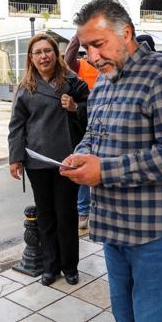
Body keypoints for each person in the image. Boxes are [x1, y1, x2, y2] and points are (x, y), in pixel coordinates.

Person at [60, 0, 162, 322]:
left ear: (126, 33)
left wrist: (104, 170)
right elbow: (93, 136)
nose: (92, 57)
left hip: (160, 235)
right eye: (86, 48)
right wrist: (79, 155)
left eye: (99, 45)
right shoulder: (102, 86)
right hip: (115, 231)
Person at [8, 33, 90, 286]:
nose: (43, 56)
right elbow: (17, 125)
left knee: (67, 214)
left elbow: (94, 112)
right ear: (31, 58)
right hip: (37, 160)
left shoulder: (73, 82)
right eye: (38, 52)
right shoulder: (25, 87)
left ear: (55, 53)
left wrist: (75, 107)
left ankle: (70, 266)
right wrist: (15, 157)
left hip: (67, 160)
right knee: (46, 216)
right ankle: (50, 265)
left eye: (47, 51)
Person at [63, 35, 98, 230]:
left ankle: (84, 211)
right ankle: (83, 211)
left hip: (96, 117)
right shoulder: (81, 66)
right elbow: (68, 59)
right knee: (81, 164)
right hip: (84, 122)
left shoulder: (108, 72)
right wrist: (77, 35)